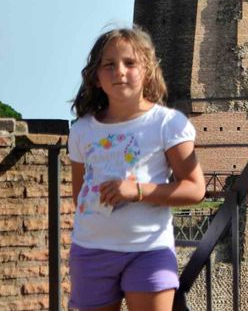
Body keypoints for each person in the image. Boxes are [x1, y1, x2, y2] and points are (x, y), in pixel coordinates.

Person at [68, 27, 205, 311]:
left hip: (148, 250)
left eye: (130, 63)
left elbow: (195, 188)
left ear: (147, 71)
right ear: (96, 76)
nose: (120, 71)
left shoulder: (167, 124)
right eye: (109, 64)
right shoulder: (81, 130)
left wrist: (137, 191)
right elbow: (79, 193)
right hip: (91, 250)